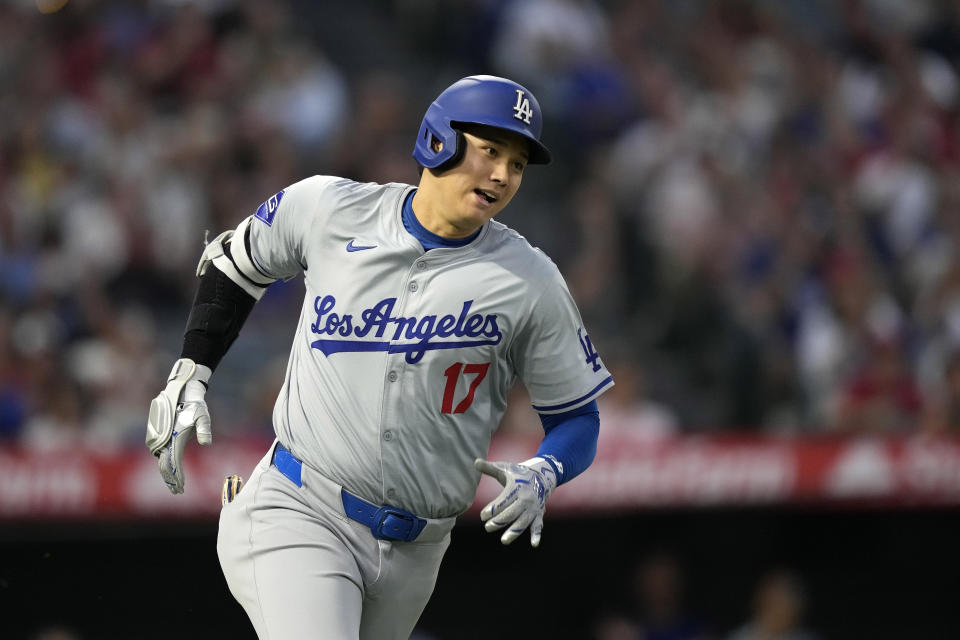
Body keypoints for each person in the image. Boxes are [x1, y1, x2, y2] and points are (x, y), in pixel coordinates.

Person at [145, 75, 613, 640]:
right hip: (299, 511)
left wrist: (545, 471)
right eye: (491, 151)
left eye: (516, 164)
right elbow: (233, 264)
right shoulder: (330, 208)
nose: (502, 175)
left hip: (418, 552)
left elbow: (577, 419)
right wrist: (190, 372)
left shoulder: (529, 280)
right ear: (440, 139)